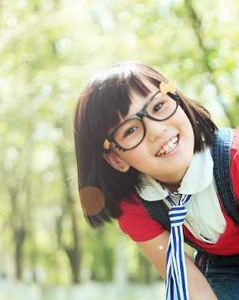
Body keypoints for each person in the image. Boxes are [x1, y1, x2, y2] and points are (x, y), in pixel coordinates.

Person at [73, 61, 239, 300]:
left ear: (177, 100)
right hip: (222, 265)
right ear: (116, 159)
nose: (157, 130)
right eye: (130, 130)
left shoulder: (234, 161)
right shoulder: (135, 206)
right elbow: (192, 287)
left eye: (159, 106)